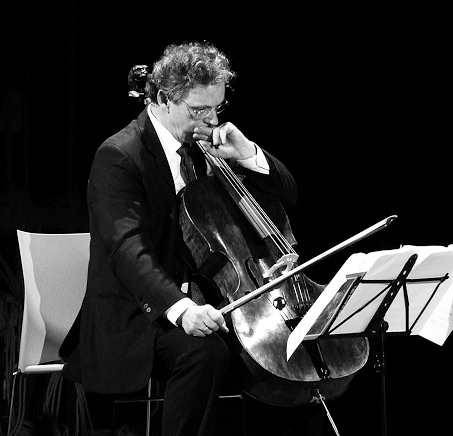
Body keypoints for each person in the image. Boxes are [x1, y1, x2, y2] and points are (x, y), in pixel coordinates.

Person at [60, 41, 297, 436]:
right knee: (205, 353)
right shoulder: (118, 156)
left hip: (205, 302)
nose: (211, 120)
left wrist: (247, 153)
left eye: (217, 108)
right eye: (199, 110)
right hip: (138, 317)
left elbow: (288, 194)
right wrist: (182, 309)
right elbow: (128, 251)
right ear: (164, 100)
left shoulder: (207, 148)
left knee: (280, 351)